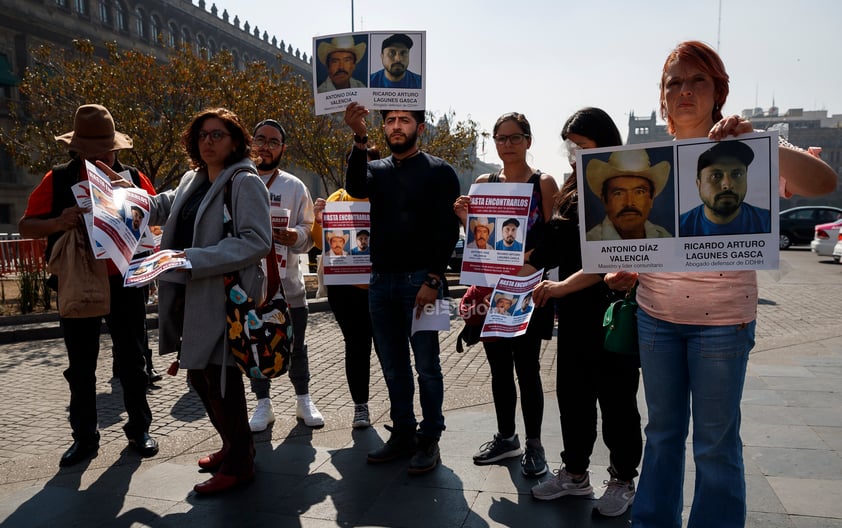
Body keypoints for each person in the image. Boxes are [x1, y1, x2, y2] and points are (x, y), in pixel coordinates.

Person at [606, 41, 836, 528]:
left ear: (718, 93)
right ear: (662, 98)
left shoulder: (748, 151)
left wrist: (761, 139)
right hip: (655, 319)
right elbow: (641, 243)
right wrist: (623, 265)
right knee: (663, 433)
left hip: (723, 323)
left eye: (698, 80)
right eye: (674, 82)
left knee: (714, 442)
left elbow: (822, 182)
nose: (684, 90)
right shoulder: (645, 163)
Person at [126, 107, 270, 495]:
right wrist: (126, 198)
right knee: (199, 375)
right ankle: (236, 446)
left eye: (218, 134)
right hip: (192, 295)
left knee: (220, 378)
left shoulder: (243, 180)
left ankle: (240, 464)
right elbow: (164, 204)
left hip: (224, 296)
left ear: (236, 141)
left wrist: (191, 258)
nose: (208, 141)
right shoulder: (193, 178)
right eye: (203, 134)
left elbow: (257, 241)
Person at [18, 104, 159, 467]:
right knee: (81, 367)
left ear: (116, 147)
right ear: (77, 148)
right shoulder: (59, 179)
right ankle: (84, 437)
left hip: (125, 285)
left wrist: (138, 209)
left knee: (134, 362)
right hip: (78, 282)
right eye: (92, 150)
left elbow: (156, 225)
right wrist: (59, 222)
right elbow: (26, 225)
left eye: (106, 149)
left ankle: (140, 429)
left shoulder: (134, 176)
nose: (100, 156)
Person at [528, 107, 642, 518]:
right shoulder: (572, 189)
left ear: (604, 142)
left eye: (581, 144)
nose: (573, 151)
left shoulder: (618, 188)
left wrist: (559, 287)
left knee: (616, 400)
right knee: (573, 396)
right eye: (570, 145)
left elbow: (608, 261)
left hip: (612, 312)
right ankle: (575, 473)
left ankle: (623, 477)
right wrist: (486, 251)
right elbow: (545, 251)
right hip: (574, 316)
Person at [344, 102, 460, 474]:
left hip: (424, 283)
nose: (396, 127)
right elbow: (353, 186)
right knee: (393, 367)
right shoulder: (375, 170)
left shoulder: (440, 172)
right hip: (381, 283)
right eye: (390, 121)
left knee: (428, 366)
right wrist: (359, 139)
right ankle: (403, 433)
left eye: (404, 121)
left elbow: (448, 230)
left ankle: (430, 439)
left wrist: (434, 278)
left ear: (419, 128)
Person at [453, 112, 558, 477]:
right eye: (501, 138)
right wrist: (464, 218)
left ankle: (534, 444)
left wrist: (530, 260)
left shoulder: (543, 183)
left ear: (528, 141)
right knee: (499, 369)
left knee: (527, 369)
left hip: (528, 291)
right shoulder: (485, 182)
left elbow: (554, 236)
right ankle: (506, 437)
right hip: (492, 289)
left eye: (515, 138)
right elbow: (481, 242)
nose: (508, 145)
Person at [246, 119, 323, 433]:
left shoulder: (293, 186)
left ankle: (303, 399)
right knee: (255, 346)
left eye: (273, 141)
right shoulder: (236, 181)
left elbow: (309, 232)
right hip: (249, 288)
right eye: (261, 139)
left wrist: (297, 237)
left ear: (282, 148)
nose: (266, 146)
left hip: (289, 286)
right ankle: (263, 403)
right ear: (251, 143)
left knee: (297, 346)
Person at [312, 146, 382, 429]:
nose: (362, 169)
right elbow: (320, 243)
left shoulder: (386, 196)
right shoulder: (336, 198)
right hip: (345, 289)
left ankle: (400, 408)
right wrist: (319, 221)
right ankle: (360, 407)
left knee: (388, 348)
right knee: (356, 346)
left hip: (380, 286)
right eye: (356, 163)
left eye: (369, 164)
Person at [679, 140, 771, 236]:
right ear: (699, 184)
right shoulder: (678, 228)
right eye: (716, 176)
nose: (727, 185)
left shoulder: (768, 222)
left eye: (737, 174)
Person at [585, 148, 673, 240]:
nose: (629, 203)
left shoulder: (664, 236)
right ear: (604, 200)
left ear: (651, 199)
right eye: (618, 193)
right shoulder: (590, 241)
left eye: (639, 192)